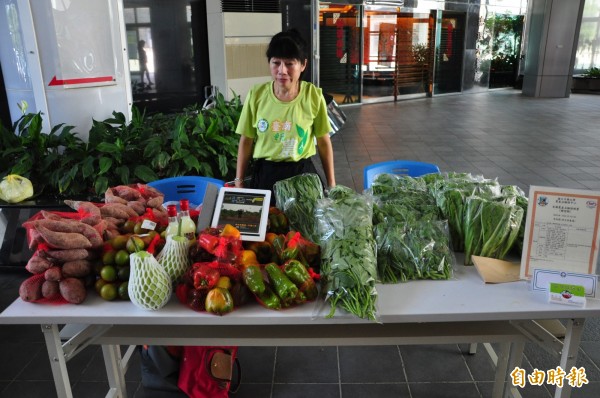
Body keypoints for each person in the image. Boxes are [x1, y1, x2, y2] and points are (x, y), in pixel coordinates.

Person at [234, 29, 336, 201]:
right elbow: (246, 140)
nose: (282, 70)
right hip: (266, 175)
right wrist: (239, 181)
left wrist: (332, 184)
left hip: (302, 177)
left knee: (303, 226)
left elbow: (324, 142)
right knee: (269, 225)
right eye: (276, 63)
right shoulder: (256, 95)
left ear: (303, 65)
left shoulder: (313, 95)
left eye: (289, 63)